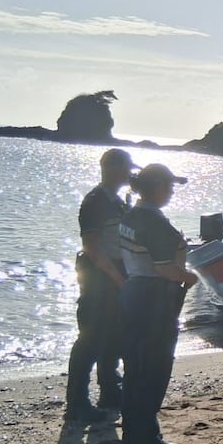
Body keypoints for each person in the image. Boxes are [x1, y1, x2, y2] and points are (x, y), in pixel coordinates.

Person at [118, 163, 197, 444]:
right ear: (157, 188)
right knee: (154, 368)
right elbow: (166, 269)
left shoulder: (131, 215)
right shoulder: (154, 222)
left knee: (135, 367)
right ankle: (147, 438)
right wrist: (189, 278)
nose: (172, 191)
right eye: (169, 186)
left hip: (133, 291)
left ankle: (132, 433)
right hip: (154, 297)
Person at [64, 148, 138, 423]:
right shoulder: (95, 201)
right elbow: (92, 247)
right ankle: (77, 403)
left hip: (116, 271)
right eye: (126, 168)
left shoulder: (117, 201)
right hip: (98, 274)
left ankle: (110, 390)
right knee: (91, 338)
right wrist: (117, 278)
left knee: (114, 336)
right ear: (113, 168)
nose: (130, 174)